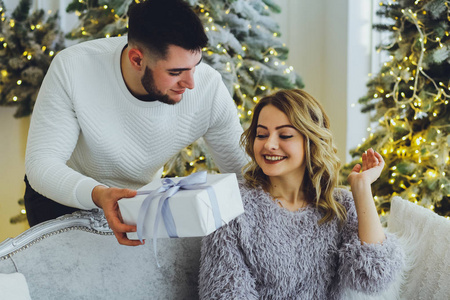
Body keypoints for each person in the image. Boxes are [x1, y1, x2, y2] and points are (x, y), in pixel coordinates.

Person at [24, 0, 247, 246]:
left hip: (139, 202)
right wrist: (99, 194)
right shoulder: (73, 67)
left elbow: (245, 172)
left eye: (196, 66)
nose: (191, 83)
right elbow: (41, 165)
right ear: (137, 59)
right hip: (61, 196)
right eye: (175, 72)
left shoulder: (209, 88)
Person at [199, 89, 404, 299]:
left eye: (285, 135)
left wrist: (362, 189)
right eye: (261, 134)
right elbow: (224, 294)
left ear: (311, 141)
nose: (269, 144)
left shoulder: (340, 206)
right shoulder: (231, 206)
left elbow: (374, 278)